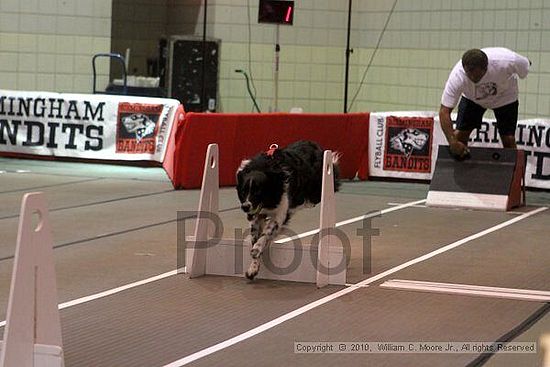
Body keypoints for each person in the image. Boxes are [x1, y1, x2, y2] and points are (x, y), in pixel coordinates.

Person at [439, 47, 531, 159]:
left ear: (486, 67)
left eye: (477, 75)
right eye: (469, 74)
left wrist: (527, 65)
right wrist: (452, 142)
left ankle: (514, 173)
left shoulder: (507, 60)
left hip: (505, 98)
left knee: (508, 139)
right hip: (472, 99)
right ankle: (461, 171)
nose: (472, 78)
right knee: (459, 136)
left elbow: (525, 66)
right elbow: (444, 111)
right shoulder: (458, 76)